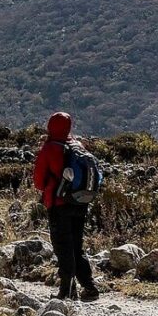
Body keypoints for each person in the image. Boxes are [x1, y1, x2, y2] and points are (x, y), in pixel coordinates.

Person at [33, 111, 100, 301]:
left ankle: (67, 290)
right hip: (80, 202)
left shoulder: (50, 148)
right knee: (77, 246)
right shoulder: (77, 145)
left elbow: (38, 181)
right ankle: (89, 287)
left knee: (63, 246)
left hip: (59, 203)